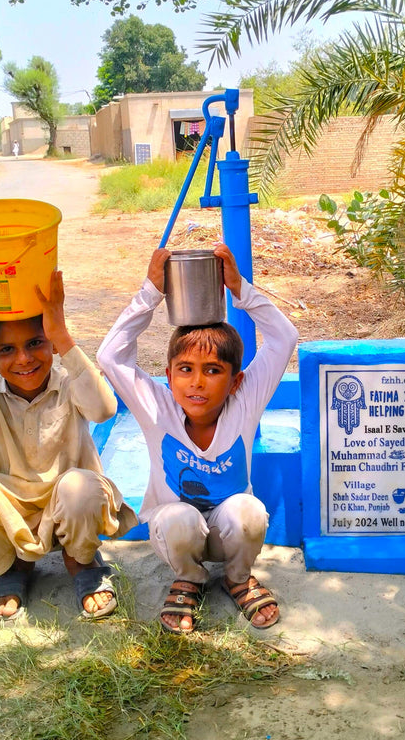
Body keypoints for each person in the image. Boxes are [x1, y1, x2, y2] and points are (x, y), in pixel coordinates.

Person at [96, 243, 298, 634]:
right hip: (176, 535)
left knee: (249, 511)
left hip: (228, 535)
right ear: (168, 377)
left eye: (212, 370)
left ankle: (238, 578)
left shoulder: (244, 402)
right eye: (185, 369)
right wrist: (151, 293)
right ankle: (189, 578)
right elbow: (111, 357)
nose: (197, 382)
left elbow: (283, 339)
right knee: (178, 516)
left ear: (236, 381)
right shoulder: (156, 408)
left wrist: (240, 289)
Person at [0, 271, 137, 621]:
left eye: (35, 343)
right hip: (13, 509)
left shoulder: (69, 383)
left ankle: (80, 561)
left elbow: (104, 409)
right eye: (6, 350)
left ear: (49, 343)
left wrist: (63, 337)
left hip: (69, 502)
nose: (24, 359)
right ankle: (12, 566)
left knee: (80, 486)